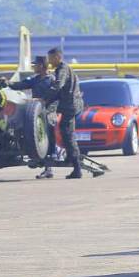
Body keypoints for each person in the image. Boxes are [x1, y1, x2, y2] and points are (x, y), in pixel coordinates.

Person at [8, 56, 57, 179]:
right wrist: (8, 83)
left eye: (35, 65)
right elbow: (21, 85)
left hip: (48, 112)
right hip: (36, 113)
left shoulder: (52, 80)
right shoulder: (35, 80)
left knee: (46, 134)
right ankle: (37, 158)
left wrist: (44, 102)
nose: (33, 67)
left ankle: (49, 166)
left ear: (42, 66)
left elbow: (56, 96)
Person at [44, 47, 85, 179]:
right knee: (68, 133)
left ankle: (76, 167)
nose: (49, 62)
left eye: (51, 59)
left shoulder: (62, 69)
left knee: (67, 134)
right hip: (72, 105)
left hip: (70, 106)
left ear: (57, 57)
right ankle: (72, 159)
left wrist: (45, 98)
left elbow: (58, 86)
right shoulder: (66, 69)